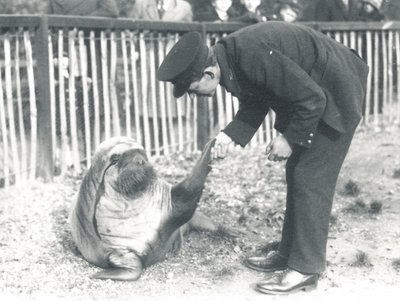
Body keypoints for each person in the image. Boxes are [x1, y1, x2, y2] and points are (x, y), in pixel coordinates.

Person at [156, 22, 368, 295]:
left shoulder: (248, 54)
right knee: (298, 172)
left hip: (336, 92)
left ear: (209, 73)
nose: (193, 96)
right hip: (320, 89)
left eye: (192, 89)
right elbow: (257, 98)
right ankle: (290, 253)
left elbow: (312, 99)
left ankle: (305, 269)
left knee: (310, 176)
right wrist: (229, 136)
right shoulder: (232, 57)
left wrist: (289, 138)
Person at [47, 0, 119, 17]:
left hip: (91, 44)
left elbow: (111, 11)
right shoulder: (54, 1)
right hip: (60, 48)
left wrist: (82, 21)